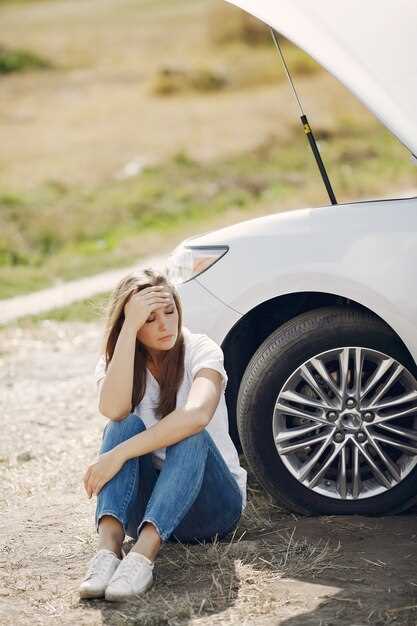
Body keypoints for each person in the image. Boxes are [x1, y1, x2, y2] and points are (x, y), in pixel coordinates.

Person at [79, 267, 247, 601]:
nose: (164, 325)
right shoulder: (118, 359)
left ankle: (142, 557)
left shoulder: (202, 349)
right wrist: (127, 328)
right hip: (145, 508)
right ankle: (108, 551)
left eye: (169, 313)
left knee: (188, 431)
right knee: (122, 424)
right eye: (149, 319)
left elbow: (197, 414)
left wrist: (119, 454)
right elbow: (114, 411)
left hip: (212, 506)